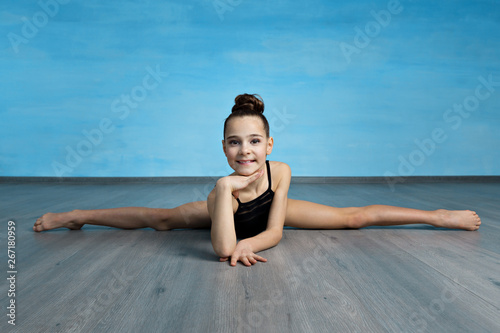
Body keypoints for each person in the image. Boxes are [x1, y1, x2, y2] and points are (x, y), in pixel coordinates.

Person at [34, 94, 482, 266]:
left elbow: (273, 230)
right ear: (223, 148)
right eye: (234, 143)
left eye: (253, 141)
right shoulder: (221, 190)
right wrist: (225, 192)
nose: (244, 151)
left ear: (269, 146)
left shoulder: (280, 171)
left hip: (266, 211)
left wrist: (257, 244)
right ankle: (78, 215)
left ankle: (437, 216)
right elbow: (226, 250)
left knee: (353, 219)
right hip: (226, 215)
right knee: (162, 220)